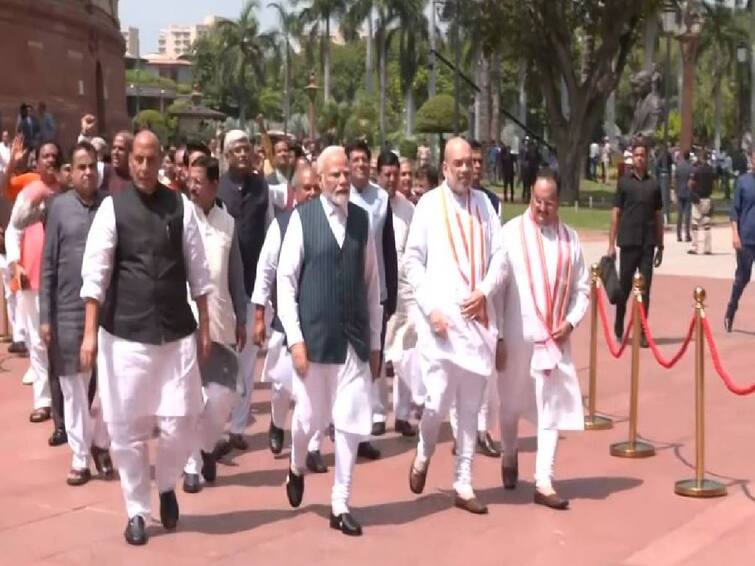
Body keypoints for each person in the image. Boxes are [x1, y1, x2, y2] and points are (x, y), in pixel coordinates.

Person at [79, 130, 212, 545]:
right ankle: (137, 510)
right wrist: (88, 335)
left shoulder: (181, 208)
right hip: (124, 336)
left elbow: (200, 272)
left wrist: (206, 325)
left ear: (162, 163)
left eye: (151, 159)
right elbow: (95, 274)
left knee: (180, 421)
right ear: (128, 161)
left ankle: (168, 483)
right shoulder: (111, 209)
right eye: (137, 159)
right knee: (127, 429)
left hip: (175, 333)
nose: (143, 167)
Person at [277, 145, 382, 536]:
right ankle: (296, 463)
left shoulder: (363, 221)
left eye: (344, 174)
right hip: (315, 342)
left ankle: (340, 501)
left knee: (351, 421)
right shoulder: (302, 221)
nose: (341, 180)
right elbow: (285, 286)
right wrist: (295, 340)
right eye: (333, 175)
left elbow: (373, 286)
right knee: (309, 420)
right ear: (320, 180)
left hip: (354, 340)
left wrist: (375, 344)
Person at [405, 137, 506, 515]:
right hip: (442, 325)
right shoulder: (429, 206)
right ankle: (423, 451)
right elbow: (412, 263)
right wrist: (430, 309)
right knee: (436, 404)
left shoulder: (485, 206)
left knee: (469, 408)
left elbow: (501, 258)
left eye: (469, 163)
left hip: (477, 322)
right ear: (445, 167)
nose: (465, 169)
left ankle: (463, 483)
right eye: (457, 164)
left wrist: (485, 291)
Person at [498, 172, 589, 510]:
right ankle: (509, 454)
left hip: (553, 341)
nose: (542, 207)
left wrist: (570, 322)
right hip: (517, 336)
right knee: (509, 406)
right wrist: (498, 336)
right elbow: (497, 287)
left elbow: (582, 290)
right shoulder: (510, 235)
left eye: (548, 202)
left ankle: (544, 480)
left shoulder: (570, 241)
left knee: (549, 408)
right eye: (537, 200)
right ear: (530, 198)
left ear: (558, 203)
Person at [39, 141, 112, 486]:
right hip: (67, 311)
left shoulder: (111, 206)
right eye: (80, 166)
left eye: (92, 165)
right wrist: (44, 316)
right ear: (70, 172)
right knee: (73, 387)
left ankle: (100, 441)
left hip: (109, 312)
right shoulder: (58, 208)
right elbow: (48, 266)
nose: (87, 172)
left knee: (109, 387)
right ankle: (81, 456)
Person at [251, 164, 328, 472]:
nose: (312, 194)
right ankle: (276, 423)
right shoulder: (282, 225)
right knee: (283, 387)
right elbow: (266, 270)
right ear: (294, 193)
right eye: (306, 188)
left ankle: (313, 446)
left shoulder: (332, 226)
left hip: (322, 322)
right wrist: (259, 314)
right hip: (287, 320)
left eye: (316, 188)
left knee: (318, 388)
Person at [182, 155, 247, 494]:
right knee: (191, 397)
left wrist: (242, 316)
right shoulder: (180, 217)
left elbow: (235, 275)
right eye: (189, 180)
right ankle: (192, 463)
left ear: (213, 185)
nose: (192, 187)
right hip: (185, 322)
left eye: (199, 181)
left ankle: (206, 446)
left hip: (221, 322)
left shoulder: (228, 223)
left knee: (221, 397)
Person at [217, 130, 273, 451]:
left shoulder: (262, 187)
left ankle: (238, 427)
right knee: (223, 357)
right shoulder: (219, 187)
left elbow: (268, 230)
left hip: (253, 286)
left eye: (246, 149)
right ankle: (217, 424)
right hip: (223, 288)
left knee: (247, 362)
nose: (242, 153)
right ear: (226, 155)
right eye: (236, 149)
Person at [6, 142, 63, 430]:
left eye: (55, 156)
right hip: (32, 278)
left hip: (63, 282)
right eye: (45, 156)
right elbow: (14, 230)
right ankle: (43, 402)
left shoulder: (68, 193)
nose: (50, 160)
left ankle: (64, 400)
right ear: (37, 162)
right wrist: (16, 263)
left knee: (61, 342)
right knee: (37, 344)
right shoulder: (30, 193)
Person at [347, 140, 397, 455]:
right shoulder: (340, 196)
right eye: (356, 160)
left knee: (370, 365)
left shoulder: (381, 200)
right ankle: (340, 427)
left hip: (375, 292)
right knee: (348, 364)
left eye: (366, 160)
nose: (362, 165)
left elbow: (388, 248)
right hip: (347, 294)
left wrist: (389, 296)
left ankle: (362, 433)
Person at [607, 138, 663, 348]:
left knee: (645, 289)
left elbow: (658, 216)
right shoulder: (624, 183)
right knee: (624, 287)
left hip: (648, 243)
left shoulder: (654, 184)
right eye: (637, 155)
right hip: (628, 241)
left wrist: (661, 244)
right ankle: (619, 321)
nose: (640, 158)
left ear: (647, 158)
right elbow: (616, 213)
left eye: (643, 155)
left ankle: (642, 331)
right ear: (633, 157)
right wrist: (611, 244)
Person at [376, 151, 417, 436]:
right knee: (378, 352)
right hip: (378, 288)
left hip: (406, 290)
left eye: (396, 175)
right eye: (387, 175)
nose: (392, 180)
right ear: (378, 175)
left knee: (406, 351)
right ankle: (378, 413)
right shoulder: (369, 204)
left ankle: (402, 414)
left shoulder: (409, 209)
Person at [725, 147, 755, 332]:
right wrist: (735, 234)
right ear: (751, 160)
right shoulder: (743, 182)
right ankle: (731, 309)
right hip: (746, 238)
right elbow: (734, 210)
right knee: (743, 277)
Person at [688, 151, 715, 255]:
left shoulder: (697, 170)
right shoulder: (710, 170)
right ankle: (707, 248)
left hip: (697, 199)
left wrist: (692, 191)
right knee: (706, 224)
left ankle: (695, 247)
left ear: (700, 158)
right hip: (707, 198)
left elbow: (691, 183)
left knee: (695, 223)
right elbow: (714, 182)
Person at [470, 140, 501, 216]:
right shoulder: (450, 200)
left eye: (480, 161)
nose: (478, 166)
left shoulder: (492, 201)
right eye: (473, 161)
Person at [101, 131, 132, 195]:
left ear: (131, 152)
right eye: (113, 148)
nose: (115, 152)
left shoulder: (137, 179)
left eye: (121, 149)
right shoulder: (103, 172)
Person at [266, 138, 293, 212]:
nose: (283, 154)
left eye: (285, 150)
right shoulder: (268, 181)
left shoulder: (297, 176)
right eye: (279, 151)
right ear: (274, 156)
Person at [675, 151, 693, 242]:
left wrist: (675, 191)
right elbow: (691, 181)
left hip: (679, 192)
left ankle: (678, 235)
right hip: (687, 192)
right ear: (689, 157)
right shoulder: (690, 167)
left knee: (679, 214)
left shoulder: (678, 167)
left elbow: (675, 179)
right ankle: (687, 235)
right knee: (687, 215)